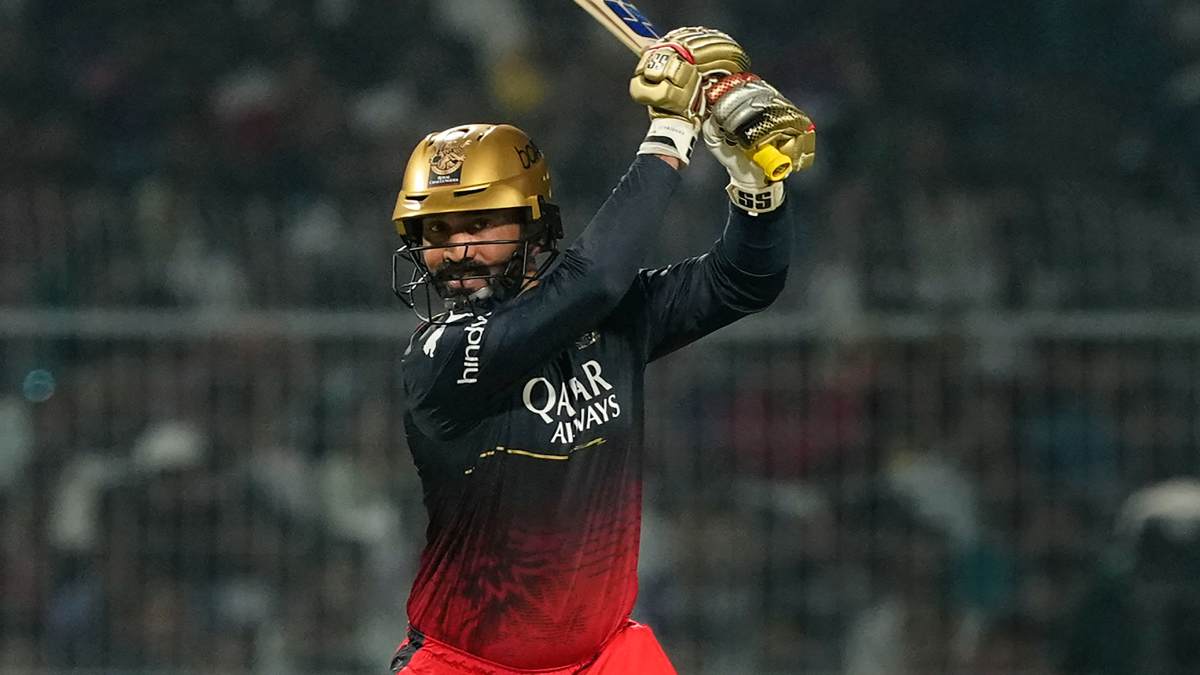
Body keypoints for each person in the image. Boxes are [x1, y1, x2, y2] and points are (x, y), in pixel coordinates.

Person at [388, 27, 815, 674]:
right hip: (465, 664)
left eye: (479, 224)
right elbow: (594, 282)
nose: (456, 251)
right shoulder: (440, 354)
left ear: (534, 226)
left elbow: (744, 281)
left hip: (606, 656)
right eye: (435, 232)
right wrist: (670, 129)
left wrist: (756, 190)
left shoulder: (612, 317)